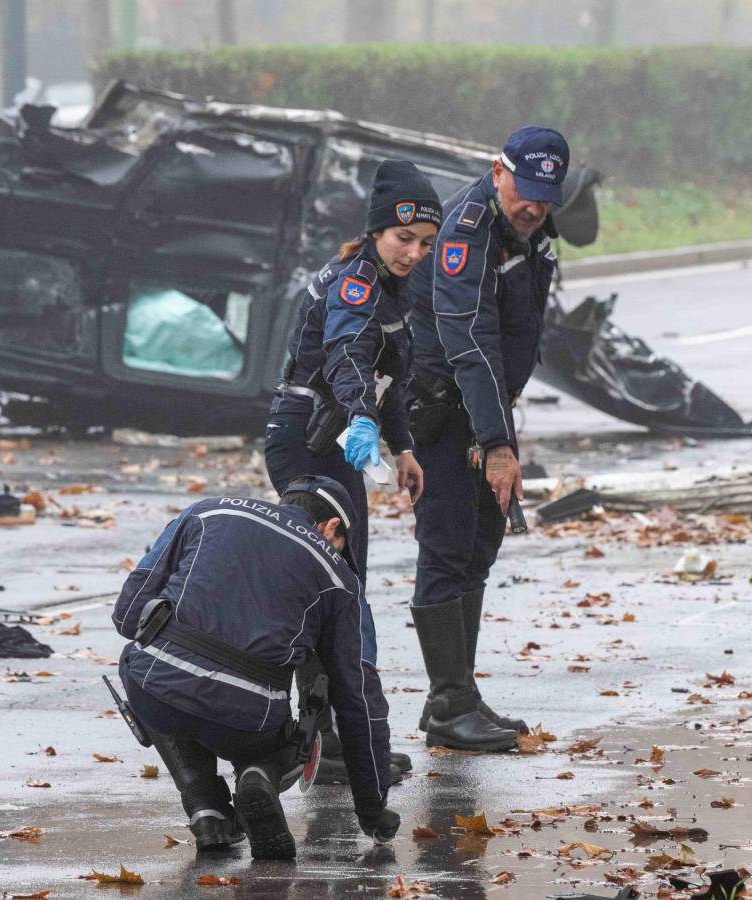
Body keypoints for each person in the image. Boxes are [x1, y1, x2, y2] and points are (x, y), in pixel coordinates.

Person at [109, 475, 400, 859]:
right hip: (246, 722)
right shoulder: (338, 577)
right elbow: (354, 697)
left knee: (153, 666)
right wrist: (372, 808)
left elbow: (127, 614)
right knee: (302, 718)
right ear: (332, 527)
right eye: (342, 543)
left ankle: (206, 809)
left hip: (155, 693)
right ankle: (259, 774)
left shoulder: (206, 511)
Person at [264, 159, 440, 781]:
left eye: (426, 243)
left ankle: (333, 739)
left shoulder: (389, 283)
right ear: (375, 231)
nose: (414, 253)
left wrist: (403, 446)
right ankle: (340, 743)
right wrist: (362, 414)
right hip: (309, 442)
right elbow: (348, 355)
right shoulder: (356, 284)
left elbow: (390, 375)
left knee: (339, 589)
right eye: (403, 238)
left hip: (336, 441)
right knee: (336, 592)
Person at [405, 125, 570, 752]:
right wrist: (497, 445)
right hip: (442, 410)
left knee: (479, 542)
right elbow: (470, 340)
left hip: (484, 407)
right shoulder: (466, 233)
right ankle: (449, 705)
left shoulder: (526, 230)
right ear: (497, 172)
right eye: (525, 192)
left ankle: (458, 696)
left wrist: (498, 429)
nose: (534, 207)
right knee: (447, 547)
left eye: (546, 198)